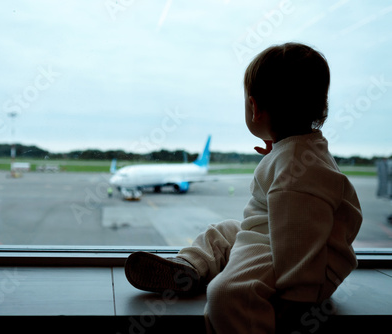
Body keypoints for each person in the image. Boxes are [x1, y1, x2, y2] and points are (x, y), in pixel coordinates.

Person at [124, 42, 363, 333]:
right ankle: (188, 267)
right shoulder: (300, 153)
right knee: (223, 232)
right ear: (319, 107)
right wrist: (278, 153)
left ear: (255, 107)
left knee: (228, 294)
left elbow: (300, 239)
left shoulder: (294, 172)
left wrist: (298, 300)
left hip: (305, 267)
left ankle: (211, 282)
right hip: (279, 238)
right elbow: (297, 216)